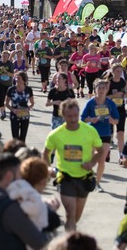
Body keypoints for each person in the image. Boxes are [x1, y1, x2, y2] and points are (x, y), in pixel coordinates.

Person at [43, 99, 103, 231]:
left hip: (84, 178)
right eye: (69, 116)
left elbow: (101, 150)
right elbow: (46, 153)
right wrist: (48, 168)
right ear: (63, 116)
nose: (73, 119)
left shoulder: (89, 130)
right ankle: (71, 242)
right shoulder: (56, 134)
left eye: (75, 115)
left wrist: (92, 162)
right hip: (65, 178)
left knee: (76, 216)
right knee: (71, 214)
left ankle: (69, 232)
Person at [0, 152, 48, 250]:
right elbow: (39, 242)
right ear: (9, 176)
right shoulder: (8, 208)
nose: (21, 179)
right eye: (19, 175)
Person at [81, 79, 119, 192]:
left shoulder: (110, 103)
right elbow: (83, 118)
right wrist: (91, 119)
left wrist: (112, 120)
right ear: (95, 89)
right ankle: (89, 178)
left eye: (104, 88)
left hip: (105, 133)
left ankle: (97, 183)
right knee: (90, 157)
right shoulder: (91, 103)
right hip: (91, 133)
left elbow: (117, 120)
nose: (102, 90)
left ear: (106, 90)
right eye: (99, 88)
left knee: (101, 159)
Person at [5, 71, 34, 142]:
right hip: (14, 114)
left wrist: (28, 108)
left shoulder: (28, 90)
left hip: (25, 115)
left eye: (19, 78)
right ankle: (15, 151)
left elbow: (32, 103)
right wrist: (12, 109)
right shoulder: (11, 89)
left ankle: (22, 152)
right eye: (16, 78)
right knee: (15, 137)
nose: (17, 80)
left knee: (23, 137)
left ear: (24, 80)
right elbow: (6, 103)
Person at [107, 63, 126, 163]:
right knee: (110, 133)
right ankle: (107, 151)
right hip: (110, 110)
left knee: (121, 133)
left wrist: (123, 94)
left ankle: (121, 156)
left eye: (121, 71)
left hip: (121, 109)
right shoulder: (108, 82)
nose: (119, 73)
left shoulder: (123, 82)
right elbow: (103, 98)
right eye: (117, 71)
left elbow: (125, 94)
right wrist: (113, 95)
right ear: (112, 71)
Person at [0, 50, 14, 120]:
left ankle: (4, 109)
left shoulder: (10, 64)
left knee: (6, 98)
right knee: (1, 97)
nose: (4, 57)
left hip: (8, 84)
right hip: (0, 83)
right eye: (3, 56)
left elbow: (12, 75)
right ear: (1, 56)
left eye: (6, 56)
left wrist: (6, 71)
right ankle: (2, 112)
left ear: (8, 57)